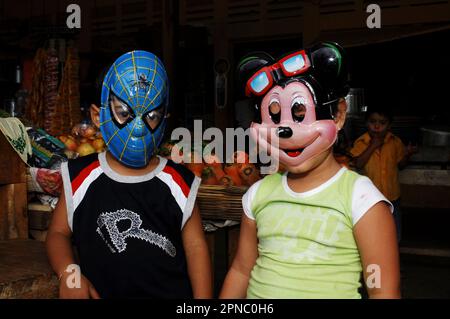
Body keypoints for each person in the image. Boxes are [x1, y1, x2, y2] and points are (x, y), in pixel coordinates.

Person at [220, 42, 400, 299]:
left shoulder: (362, 199)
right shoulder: (258, 194)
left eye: (300, 114)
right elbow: (241, 269)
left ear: (338, 116)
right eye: (273, 117)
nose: (286, 130)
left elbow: (383, 291)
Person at [46, 50, 212, 299]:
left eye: (151, 117)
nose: (137, 127)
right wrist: (70, 274)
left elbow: (197, 249)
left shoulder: (179, 182)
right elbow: (57, 234)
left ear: (164, 119)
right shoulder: (80, 176)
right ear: (97, 116)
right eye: (124, 113)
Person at [350, 107, 417, 242]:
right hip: (370, 199)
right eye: (372, 122)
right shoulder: (361, 142)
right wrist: (373, 145)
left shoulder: (395, 142)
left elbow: (401, 165)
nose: (376, 126)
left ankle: (393, 251)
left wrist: (407, 155)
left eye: (382, 123)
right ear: (366, 123)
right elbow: (358, 164)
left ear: (389, 125)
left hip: (392, 196)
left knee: (394, 233)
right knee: (372, 232)